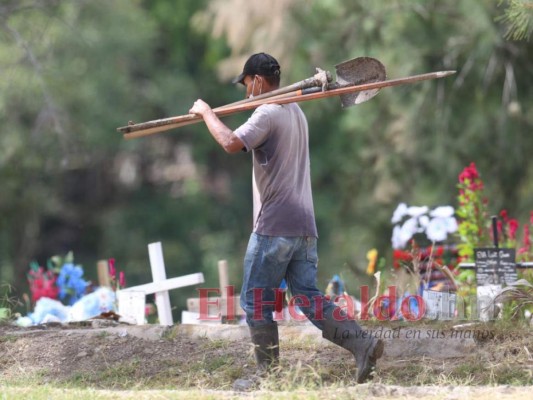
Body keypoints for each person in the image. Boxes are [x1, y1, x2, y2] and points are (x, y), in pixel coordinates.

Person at [189, 52, 384, 384]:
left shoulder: (268, 113)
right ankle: (362, 344)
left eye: (247, 83)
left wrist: (206, 112)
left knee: (255, 299)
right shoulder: (296, 113)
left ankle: (269, 378)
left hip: (274, 225)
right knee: (308, 295)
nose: (246, 91)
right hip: (305, 227)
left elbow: (230, 142)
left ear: (260, 82)